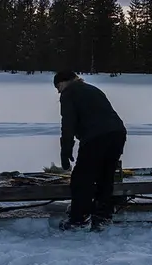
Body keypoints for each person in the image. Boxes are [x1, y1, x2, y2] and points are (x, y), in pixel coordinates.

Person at [54, 70, 127, 231]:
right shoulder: (92, 89)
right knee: (105, 176)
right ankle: (102, 216)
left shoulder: (69, 93)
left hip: (96, 137)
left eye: (58, 87)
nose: (58, 91)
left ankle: (78, 219)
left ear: (64, 82)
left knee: (81, 179)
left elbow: (68, 125)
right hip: (118, 133)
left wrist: (65, 151)